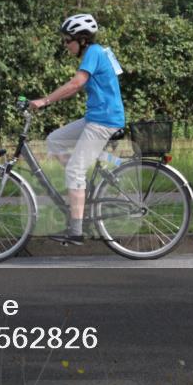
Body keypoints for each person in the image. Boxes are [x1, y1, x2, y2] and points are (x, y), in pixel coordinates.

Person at [30, 13, 125, 245]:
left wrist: (45, 101)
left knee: (74, 170)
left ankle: (76, 231)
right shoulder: (100, 52)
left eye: (67, 40)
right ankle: (80, 185)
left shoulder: (94, 52)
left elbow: (75, 83)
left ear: (82, 39)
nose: (65, 45)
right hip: (96, 117)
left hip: (104, 120)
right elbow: (84, 86)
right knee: (54, 140)